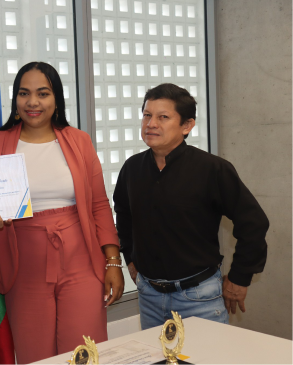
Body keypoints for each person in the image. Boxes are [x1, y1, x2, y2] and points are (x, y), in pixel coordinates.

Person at [0, 62, 124, 365]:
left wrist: (113, 261)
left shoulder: (79, 140)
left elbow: (99, 205)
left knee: (84, 351)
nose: (33, 102)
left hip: (81, 260)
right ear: (16, 100)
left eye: (42, 93)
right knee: (36, 354)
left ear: (56, 99)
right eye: (24, 93)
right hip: (24, 266)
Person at [113, 83, 269, 330]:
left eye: (163, 117)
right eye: (147, 115)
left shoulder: (212, 169)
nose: (151, 123)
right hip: (149, 295)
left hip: (198, 296)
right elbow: (123, 213)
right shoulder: (132, 168)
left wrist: (240, 277)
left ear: (187, 125)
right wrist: (131, 258)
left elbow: (254, 223)